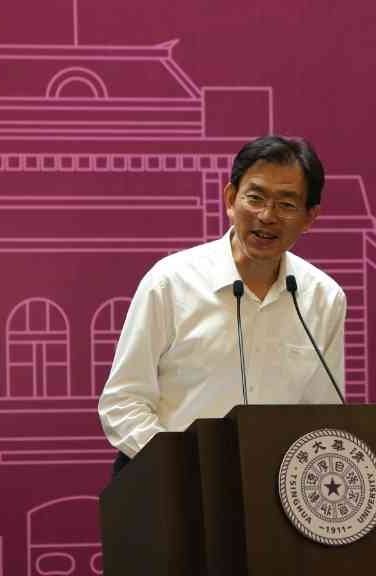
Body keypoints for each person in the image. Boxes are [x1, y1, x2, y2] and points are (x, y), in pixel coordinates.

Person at [97, 135, 346, 476]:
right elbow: (123, 402)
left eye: (287, 205)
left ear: (309, 217)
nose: (267, 216)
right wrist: (183, 467)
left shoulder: (323, 299)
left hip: (270, 490)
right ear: (230, 199)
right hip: (170, 482)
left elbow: (322, 416)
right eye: (255, 198)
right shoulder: (171, 283)